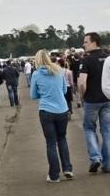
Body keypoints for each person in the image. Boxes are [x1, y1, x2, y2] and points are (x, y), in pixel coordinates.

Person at [30, 49, 73, 183]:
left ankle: (54, 175)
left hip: (46, 110)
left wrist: (43, 93)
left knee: (51, 143)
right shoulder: (59, 70)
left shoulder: (36, 74)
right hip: (62, 109)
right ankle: (68, 168)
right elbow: (64, 90)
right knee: (62, 139)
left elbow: (33, 95)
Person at [78, 32, 110, 173]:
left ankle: (95, 157)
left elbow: (82, 83)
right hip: (107, 99)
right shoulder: (108, 58)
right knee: (107, 131)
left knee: (89, 128)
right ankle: (108, 164)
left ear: (94, 42)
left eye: (86, 42)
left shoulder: (86, 60)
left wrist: (82, 96)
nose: (83, 45)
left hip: (91, 100)